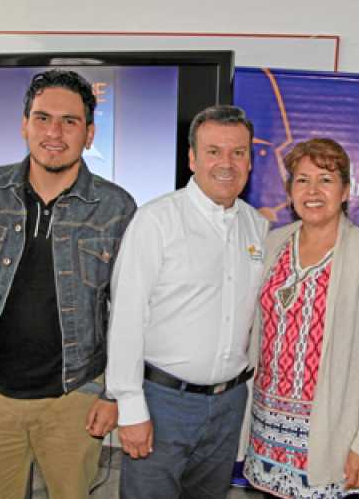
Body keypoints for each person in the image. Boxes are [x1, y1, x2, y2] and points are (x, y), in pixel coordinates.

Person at [0, 69, 136, 499]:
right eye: (42, 118)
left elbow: (129, 314)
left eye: (69, 121)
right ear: (25, 125)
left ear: (89, 134)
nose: (54, 133)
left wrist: (113, 393)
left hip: (74, 397)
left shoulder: (116, 207)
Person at [105, 105, 269, 499]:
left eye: (238, 152)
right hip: (162, 403)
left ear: (249, 161)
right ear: (192, 158)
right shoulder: (156, 221)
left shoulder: (257, 226)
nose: (226, 163)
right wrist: (129, 406)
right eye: (213, 151)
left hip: (228, 405)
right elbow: (126, 317)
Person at [242, 138, 359, 498]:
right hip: (267, 430)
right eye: (302, 180)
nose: (313, 191)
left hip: (333, 436)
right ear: (290, 191)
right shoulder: (271, 244)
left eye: (326, 180)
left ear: (345, 191)